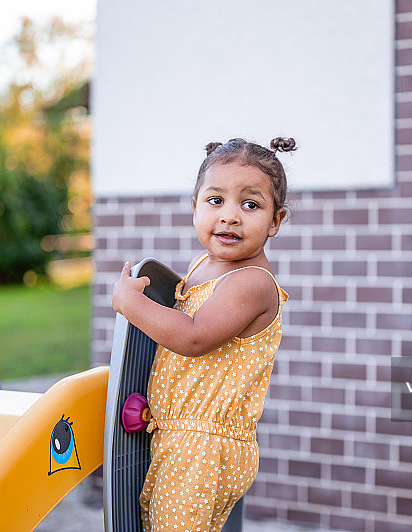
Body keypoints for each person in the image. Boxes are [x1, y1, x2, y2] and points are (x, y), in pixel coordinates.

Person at [112, 137, 296, 531]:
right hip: (181, 437)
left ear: (276, 221)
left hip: (204, 446)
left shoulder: (252, 283)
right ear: (195, 207)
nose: (230, 217)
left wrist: (133, 305)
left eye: (250, 204)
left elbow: (193, 337)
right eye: (216, 201)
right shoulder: (201, 265)